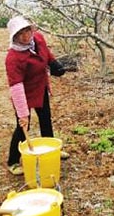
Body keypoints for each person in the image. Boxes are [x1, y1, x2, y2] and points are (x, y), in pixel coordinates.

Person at [5, 15, 68, 176]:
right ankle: (13, 161)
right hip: (24, 94)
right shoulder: (13, 58)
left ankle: (52, 149)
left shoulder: (38, 38)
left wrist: (53, 64)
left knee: (46, 119)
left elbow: (46, 53)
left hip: (40, 88)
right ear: (15, 37)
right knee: (22, 126)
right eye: (21, 34)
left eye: (27, 31)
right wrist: (23, 113)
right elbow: (16, 87)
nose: (26, 36)